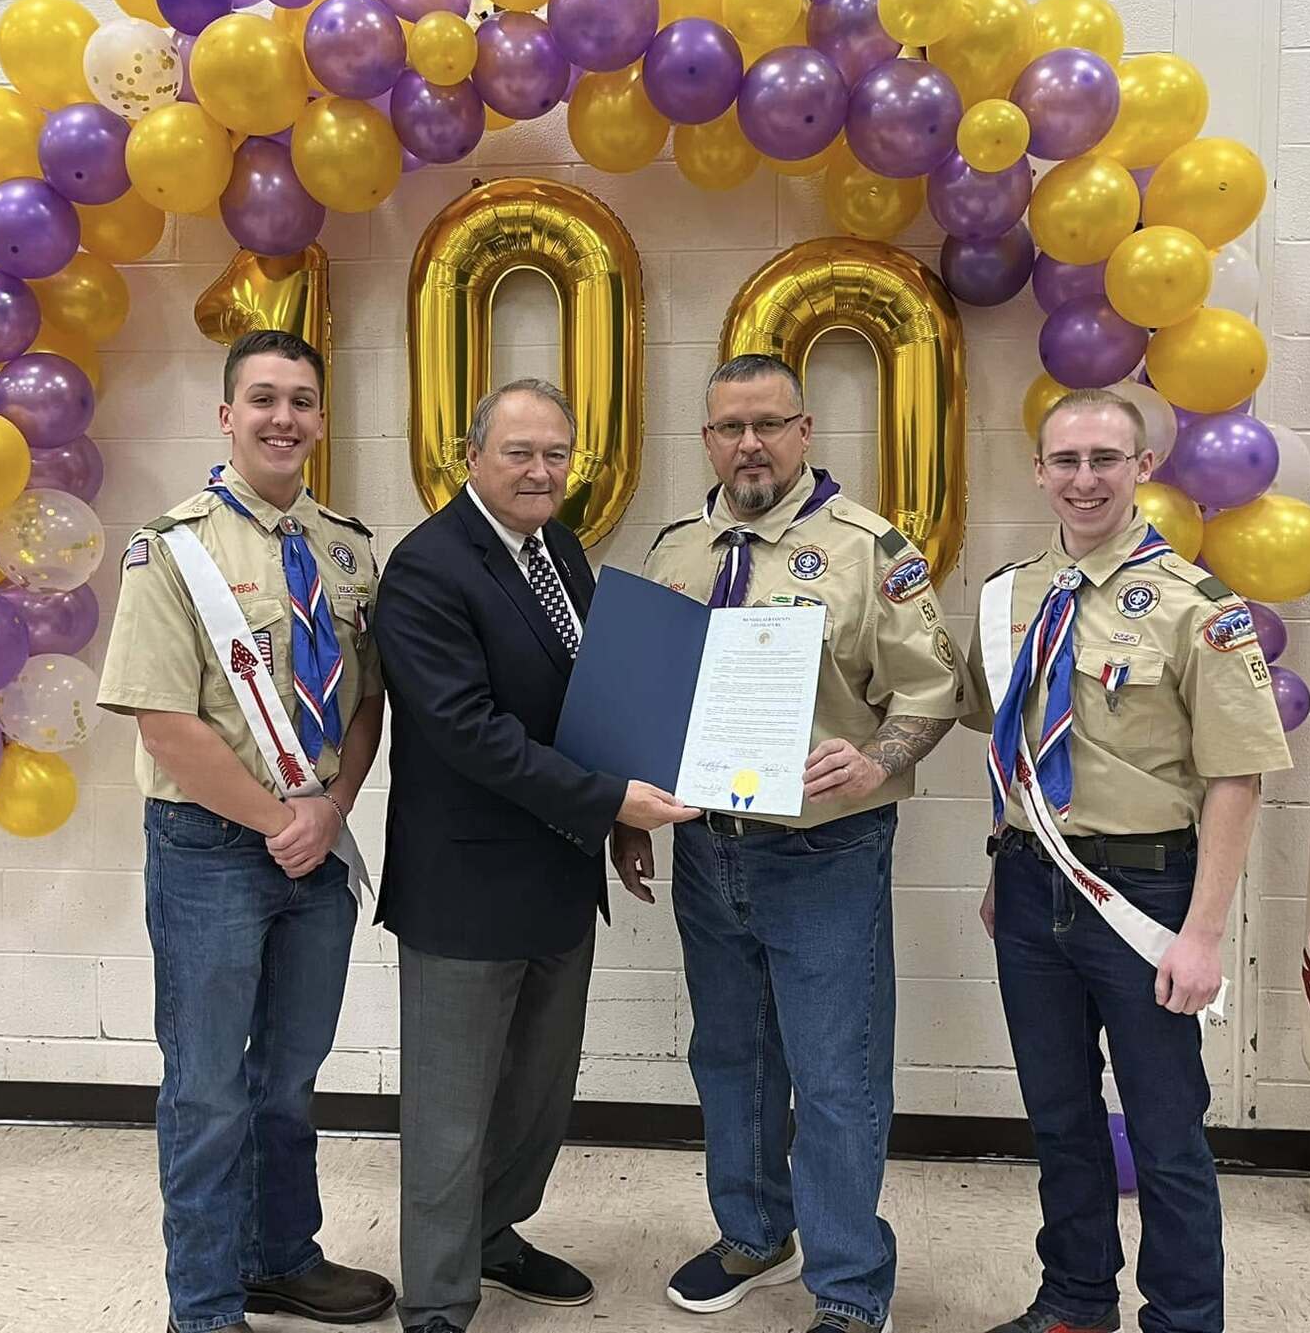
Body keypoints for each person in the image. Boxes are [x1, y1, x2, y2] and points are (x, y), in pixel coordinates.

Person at [630, 354, 972, 1333]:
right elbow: (652, 697)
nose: (749, 444)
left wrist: (876, 761)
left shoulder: (871, 551)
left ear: (805, 430)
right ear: (706, 439)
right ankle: (752, 1233)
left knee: (834, 1077)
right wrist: (630, 819)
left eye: (768, 424)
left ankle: (851, 1289)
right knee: (729, 1056)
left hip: (823, 855)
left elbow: (934, 687)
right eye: (730, 426)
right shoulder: (676, 551)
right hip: (708, 849)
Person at [963, 387, 1292, 1333]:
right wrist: (999, 866)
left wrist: (1201, 933)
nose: (1084, 478)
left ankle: (1184, 1318)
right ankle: (1073, 1300)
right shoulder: (1010, 594)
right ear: (1038, 470)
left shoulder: (1198, 607)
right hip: (1032, 887)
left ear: (1142, 467)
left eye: (1106, 458)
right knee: (1060, 1120)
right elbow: (1016, 743)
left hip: (1144, 893)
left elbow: (1238, 777)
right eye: (1065, 460)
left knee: (1164, 1132)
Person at [373, 378, 698, 1333]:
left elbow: (586, 702)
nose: (540, 470)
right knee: (450, 1105)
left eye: (555, 453)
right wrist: (606, 799)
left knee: (537, 1092)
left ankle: (495, 1233)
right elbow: (467, 730)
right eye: (519, 451)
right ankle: (437, 1297)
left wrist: (620, 819)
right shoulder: (427, 568)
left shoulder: (557, 547)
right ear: (469, 456)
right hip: (464, 885)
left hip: (558, 869)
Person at [97, 331, 394, 1333]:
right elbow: (163, 723)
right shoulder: (171, 547)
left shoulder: (349, 550)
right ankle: (206, 1306)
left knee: (289, 1081)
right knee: (211, 1092)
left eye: (302, 401)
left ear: (320, 417)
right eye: (262, 399)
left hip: (316, 846)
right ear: (226, 415)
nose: (283, 418)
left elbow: (363, 705)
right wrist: (284, 820)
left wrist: (333, 811)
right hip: (212, 853)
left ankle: (279, 1259)